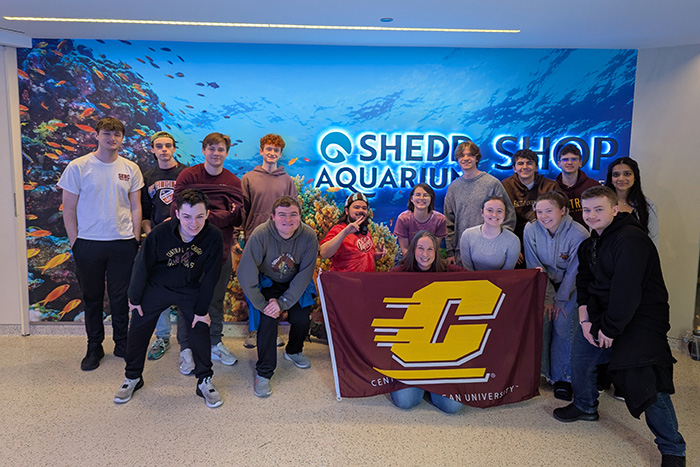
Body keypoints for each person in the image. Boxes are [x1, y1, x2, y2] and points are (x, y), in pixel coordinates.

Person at [553, 186, 685, 467]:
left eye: (599, 209)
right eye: (586, 210)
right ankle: (585, 405)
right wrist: (586, 320)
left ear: (615, 209)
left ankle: (673, 448)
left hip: (641, 319)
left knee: (647, 383)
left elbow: (628, 291)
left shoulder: (632, 239)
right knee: (581, 356)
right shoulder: (590, 244)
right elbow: (585, 284)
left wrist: (611, 330)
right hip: (604, 314)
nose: (591, 215)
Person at [114, 189, 224, 408]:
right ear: (177, 214)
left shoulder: (213, 236)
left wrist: (202, 311)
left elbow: (211, 276)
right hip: (157, 286)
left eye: (200, 216)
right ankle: (132, 377)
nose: (194, 223)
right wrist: (134, 298)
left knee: (199, 327)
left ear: (207, 214)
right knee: (138, 328)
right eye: (187, 217)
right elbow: (141, 265)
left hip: (189, 288)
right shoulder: (160, 233)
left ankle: (204, 380)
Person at [57, 117, 143, 371]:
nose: (112, 139)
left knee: (120, 297)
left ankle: (121, 342)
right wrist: (76, 243)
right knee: (92, 298)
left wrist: (135, 238)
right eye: (107, 133)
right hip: (88, 243)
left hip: (123, 242)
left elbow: (136, 206)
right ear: (96, 135)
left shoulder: (131, 168)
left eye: (117, 135)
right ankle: (94, 346)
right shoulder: (78, 166)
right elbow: (68, 208)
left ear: (122, 138)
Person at [172, 132, 243, 372]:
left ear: (226, 152)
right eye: (211, 148)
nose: (216, 153)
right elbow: (176, 210)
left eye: (221, 149)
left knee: (215, 300)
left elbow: (237, 216)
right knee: (186, 301)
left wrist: (203, 216)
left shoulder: (233, 182)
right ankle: (186, 349)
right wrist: (218, 217)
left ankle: (215, 342)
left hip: (220, 253)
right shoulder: (188, 175)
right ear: (203, 150)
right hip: (187, 252)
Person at [237, 196, 319, 398]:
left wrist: (283, 303)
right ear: (273, 217)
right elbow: (245, 272)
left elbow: (305, 274)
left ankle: (293, 351)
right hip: (269, 283)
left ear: (300, 216)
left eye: (293, 214)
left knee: (301, 319)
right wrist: (263, 304)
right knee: (268, 321)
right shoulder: (260, 234)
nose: (288, 219)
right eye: (282, 214)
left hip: (295, 284)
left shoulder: (309, 236)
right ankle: (264, 372)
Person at [389, 230, 464, 413]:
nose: (425, 254)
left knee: (452, 406)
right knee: (406, 402)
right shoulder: (399, 273)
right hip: (411, 350)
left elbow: (484, 281)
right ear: (413, 250)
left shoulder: (448, 271)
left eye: (430, 249)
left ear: (437, 251)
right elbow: (374, 290)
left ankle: (432, 385)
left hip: (440, 352)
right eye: (421, 248)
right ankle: (418, 384)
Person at [524, 191, 589, 401]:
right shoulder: (530, 230)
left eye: (549, 211)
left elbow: (574, 271)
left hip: (572, 285)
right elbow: (535, 265)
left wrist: (560, 300)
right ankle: (543, 372)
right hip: (544, 283)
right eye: (539, 211)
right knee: (542, 319)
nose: (543, 216)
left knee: (563, 322)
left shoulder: (579, 234)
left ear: (563, 210)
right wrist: (548, 297)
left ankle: (564, 378)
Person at [239, 133, 297, 349]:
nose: (272, 153)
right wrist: (240, 233)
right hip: (254, 237)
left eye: (276, 150)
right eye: (268, 149)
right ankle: (254, 331)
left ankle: (271, 329)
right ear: (261, 151)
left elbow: (293, 210)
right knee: (252, 284)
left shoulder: (287, 180)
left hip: (280, 241)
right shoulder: (248, 178)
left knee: (274, 286)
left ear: (280, 154)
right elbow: (243, 209)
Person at [140, 131, 187, 362]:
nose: (164, 150)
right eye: (159, 146)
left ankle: (187, 341)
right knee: (158, 289)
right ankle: (163, 336)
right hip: (158, 241)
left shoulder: (186, 173)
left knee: (187, 287)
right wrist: (150, 235)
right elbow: (145, 213)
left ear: (174, 148)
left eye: (168, 145)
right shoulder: (148, 176)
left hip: (184, 239)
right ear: (152, 149)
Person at [444, 141, 515, 267]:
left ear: (477, 158)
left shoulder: (492, 183)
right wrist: (450, 252)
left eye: (470, 155)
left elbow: (508, 215)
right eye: (461, 155)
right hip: (462, 252)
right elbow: (449, 222)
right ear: (457, 159)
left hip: (492, 252)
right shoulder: (453, 188)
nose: (465, 158)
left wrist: (502, 243)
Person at [501, 148, 559, 242]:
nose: (525, 167)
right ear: (514, 168)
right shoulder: (505, 186)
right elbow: (501, 218)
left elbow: (559, 217)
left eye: (529, 163)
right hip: (514, 238)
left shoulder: (551, 186)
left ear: (536, 167)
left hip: (545, 239)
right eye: (520, 163)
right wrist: (511, 245)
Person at [319, 193, 386, 271]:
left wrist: (375, 256)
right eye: (356, 207)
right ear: (347, 211)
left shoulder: (365, 231)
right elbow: (324, 253)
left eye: (364, 208)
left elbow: (360, 258)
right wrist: (345, 232)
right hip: (345, 282)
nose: (361, 210)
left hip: (367, 281)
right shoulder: (339, 229)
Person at [604, 156, 659, 245]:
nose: (621, 178)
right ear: (610, 179)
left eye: (627, 174)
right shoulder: (601, 204)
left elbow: (653, 241)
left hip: (637, 256)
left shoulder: (648, 207)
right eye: (616, 175)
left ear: (635, 177)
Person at [459, 196, 520, 271]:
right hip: (473, 280)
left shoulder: (513, 240)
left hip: (499, 281)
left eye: (499, 211)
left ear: (505, 214)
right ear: (482, 212)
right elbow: (468, 269)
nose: (494, 215)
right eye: (490, 210)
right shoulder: (467, 235)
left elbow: (506, 273)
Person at [393, 183, 446, 259]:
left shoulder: (440, 220)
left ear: (431, 199)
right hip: (407, 257)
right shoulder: (403, 219)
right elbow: (404, 248)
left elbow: (434, 249)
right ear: (411, 198)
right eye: (418, 195)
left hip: (429, 258)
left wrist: (425, 263)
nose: (421, 198)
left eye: (425, 195)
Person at [554, 144, 600, 228]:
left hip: (589, 235)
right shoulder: (553, 188)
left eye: (574, 159)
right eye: (565, 160)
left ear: (580, 163)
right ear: (558, 164)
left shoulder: (593, 186)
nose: (569, 162)